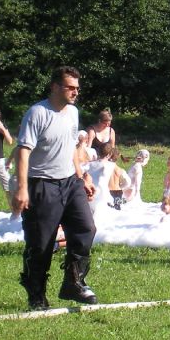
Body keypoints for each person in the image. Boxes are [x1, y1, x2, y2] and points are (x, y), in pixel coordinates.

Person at [16, 66, 98, 309]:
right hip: (42, 183)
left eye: (77, 88)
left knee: (86, 228)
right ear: (54, 86)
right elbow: (23, 151)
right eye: (70, 87)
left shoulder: (72, 112)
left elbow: (71, 147)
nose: (75, 92)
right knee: (41, 243)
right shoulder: (37, 113)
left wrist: (82, 177)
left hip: (70, 182)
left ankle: (73, 282)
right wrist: (22, 188)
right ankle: (36, 294)